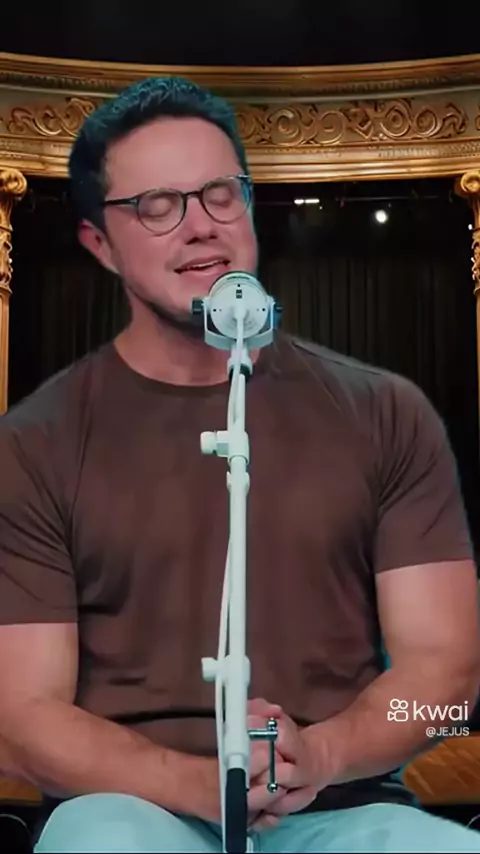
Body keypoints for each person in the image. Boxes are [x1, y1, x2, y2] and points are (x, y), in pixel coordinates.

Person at [0, 75, 479, 854]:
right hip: (132, 810)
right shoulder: (34, 443)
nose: (200, 226)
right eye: (158, 205)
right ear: (99, 243)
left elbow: (446, 688)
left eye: (220, 193)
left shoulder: (388, 412)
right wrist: (205, 784)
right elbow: (20, 716)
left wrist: (322, 755)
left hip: (343, 807)